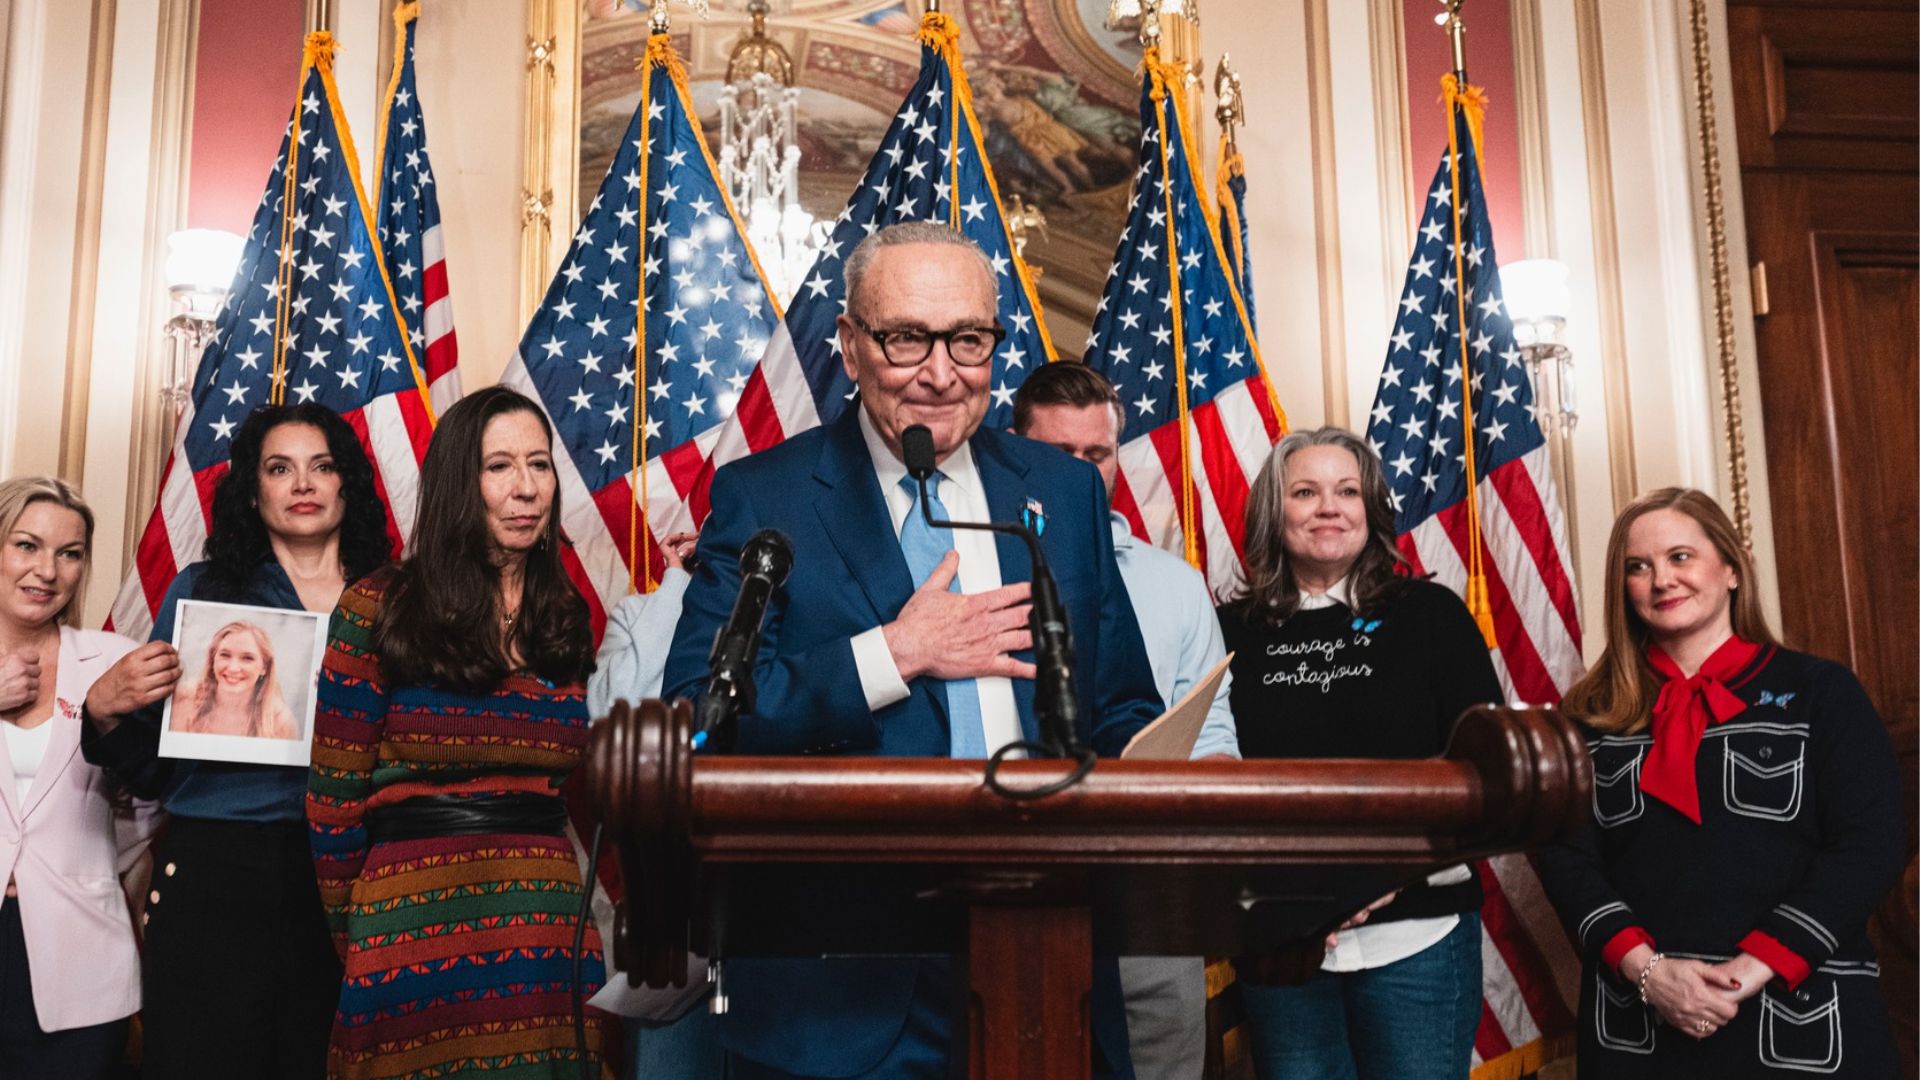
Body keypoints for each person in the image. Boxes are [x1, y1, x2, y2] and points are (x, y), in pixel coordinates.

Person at [662, 221, 1163, 1078]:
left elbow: (1120, 705)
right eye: (906, 338)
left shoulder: (1063, 491)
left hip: (1047, 956)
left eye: (968, 340)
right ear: (851, 345)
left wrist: (1152, 770)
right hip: (841, 988)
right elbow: (696, 715)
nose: (941, 373)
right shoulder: (767, 496)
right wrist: (891, 655)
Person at [1535, 488, 1902, 1077]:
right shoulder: (1587, 717)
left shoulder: (1821, 692)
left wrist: (1747, 971)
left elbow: (1870, 845)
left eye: (1680, 557)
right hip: (1639, 1029)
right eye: (1638, 567)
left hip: (1800, 1022)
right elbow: (1564, 859)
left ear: (1732, 568)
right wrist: (1649, 973)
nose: (1662, 580)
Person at [307, 385, 607, 1078]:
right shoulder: (377, 606)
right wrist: (362, 936)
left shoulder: (565, 613)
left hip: (545, 928)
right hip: (405, 930)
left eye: (539, 464)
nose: (526, 488)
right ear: (456, 482)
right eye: (499, 466)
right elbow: (331, 806)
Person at [82, 403, 389, 1079]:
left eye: (322, 466)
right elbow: (153, 770)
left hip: (351, 875)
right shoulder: (204, 593)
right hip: (214, 874)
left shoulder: (394, 600)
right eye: (279, 469)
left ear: (348, 482)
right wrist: (103, 714)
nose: (302, 483)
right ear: (253, 491)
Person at [1218, 426, 1498, 1080]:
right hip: (1284, 943)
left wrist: (1380, 872)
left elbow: (1487, 773)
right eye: (1305, 492)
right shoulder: (1229, 632)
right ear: (1273, 511)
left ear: (1370, 509)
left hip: (1418, 935)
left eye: (1347, 491)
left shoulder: (1431, 615)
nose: (1329, 507)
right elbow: (1214, 779)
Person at [1010, 360, 1236, 1080]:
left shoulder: (1176, 585)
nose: (1080, 471)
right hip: (1013, 896)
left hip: (1148, 903)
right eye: (1058, 453)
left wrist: (1212, 783)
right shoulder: (976, 568)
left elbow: (1214, 737)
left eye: (1096, 453)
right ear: (1016, 452)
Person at [0, 478, 150, 1078]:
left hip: (81, 945)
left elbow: (150, 800)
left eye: (70, 553)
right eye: (26, 545)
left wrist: (85, 866)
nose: (47, 571)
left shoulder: (114, 659)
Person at [585, 528, 726, 1080]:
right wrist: (678, 588)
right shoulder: (643, 614)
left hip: (765, 890)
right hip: (675, 914)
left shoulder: (772, 612)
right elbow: (618, 716)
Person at [171, 621, 298, 739]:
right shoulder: (183, 700)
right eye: (225, 655)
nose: (233, 668)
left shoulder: (280, 721)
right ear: (212, 659)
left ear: (264, 667)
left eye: (247, 658)